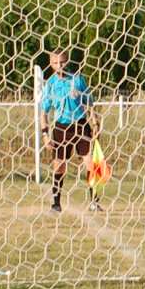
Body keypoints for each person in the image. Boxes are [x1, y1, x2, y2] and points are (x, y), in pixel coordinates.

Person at [40, 50, 102, 213]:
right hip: (61, 127)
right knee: (59, 166)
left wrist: (95, 123)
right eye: (55, 63)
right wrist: (45, 135)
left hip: (81, 124)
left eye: (62, 62)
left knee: (90, 163)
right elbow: (44, 113)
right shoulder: (51, 84)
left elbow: (89, 104)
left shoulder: (78, 80)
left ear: (67, 62)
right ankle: (56, 203)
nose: (59, 66)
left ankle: (94, 202)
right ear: (51, 64)